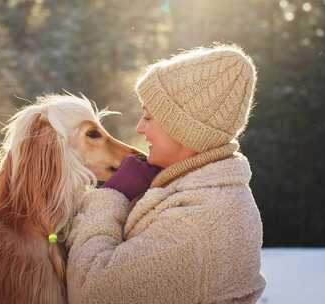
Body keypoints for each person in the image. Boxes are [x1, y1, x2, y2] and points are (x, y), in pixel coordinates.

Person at [66, 44, 267, 304]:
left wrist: (112, 197)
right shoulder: (198, 192)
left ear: (183, 129)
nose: (140, 128)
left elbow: (91, 292)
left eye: (148, 118)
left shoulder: (197, 223)